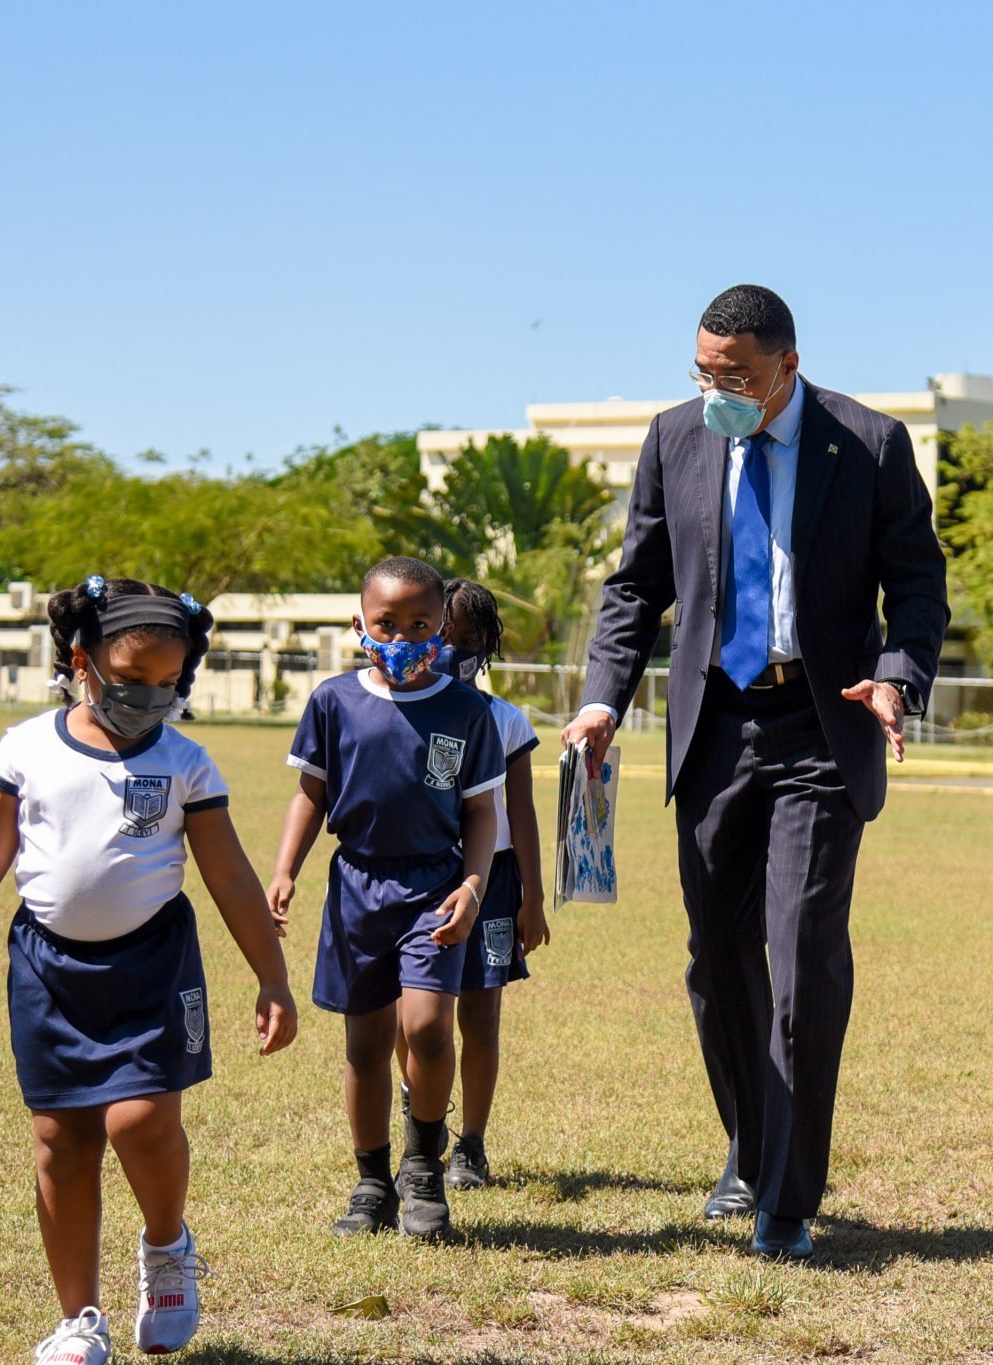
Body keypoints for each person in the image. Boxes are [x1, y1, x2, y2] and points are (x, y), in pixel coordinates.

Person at [562, 284, 949, 1260]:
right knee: (716, 959)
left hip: (822, 724)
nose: (713, 389)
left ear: (786, 365)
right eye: (701, 371)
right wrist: (603, 695)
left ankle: (786, 1198)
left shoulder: (866, 444)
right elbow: (635, 587)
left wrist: (898, 676)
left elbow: (915, 584)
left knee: (800, 952)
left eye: (731, 375)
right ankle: (750, 1145)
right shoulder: (674, 439)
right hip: (712, 726)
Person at [0, 576, 298, 1365]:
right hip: (49, 970)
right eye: (132, 680)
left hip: (153, 965)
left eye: (168, 684)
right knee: (60, 1140)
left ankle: (167, 1246)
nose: (150, 697)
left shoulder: (186, 762)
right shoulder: (26, 748)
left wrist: (271, 976)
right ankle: (79, 1319)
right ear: (82, 659)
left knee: (140, 1120)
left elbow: (233, 877)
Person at [269, 557, 505, 1240]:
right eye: (387, 624)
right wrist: (285, 868)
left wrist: (472, 882)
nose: (403, 637)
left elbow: (482, 812)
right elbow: (310, 794)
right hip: (357, 887)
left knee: (429, 1027)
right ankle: (373, 1180)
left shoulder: (467, 709)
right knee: (365, 1043)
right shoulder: (334, 701)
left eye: (420, 625)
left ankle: (423, 1170)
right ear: (359, 624)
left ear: (443, 629)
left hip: (434, 883)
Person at [392, 577, 549, 1188]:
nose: (452, 647)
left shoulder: (505, 719)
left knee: (480, 1018)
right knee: (412, 1017)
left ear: (485, 643)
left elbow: (523, 813)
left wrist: (533, 896)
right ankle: (418, 1123)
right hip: (424, 874)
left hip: (495, 880)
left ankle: (471, 1146)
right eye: (443, 634)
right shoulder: (401, 708)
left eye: (466, 638)